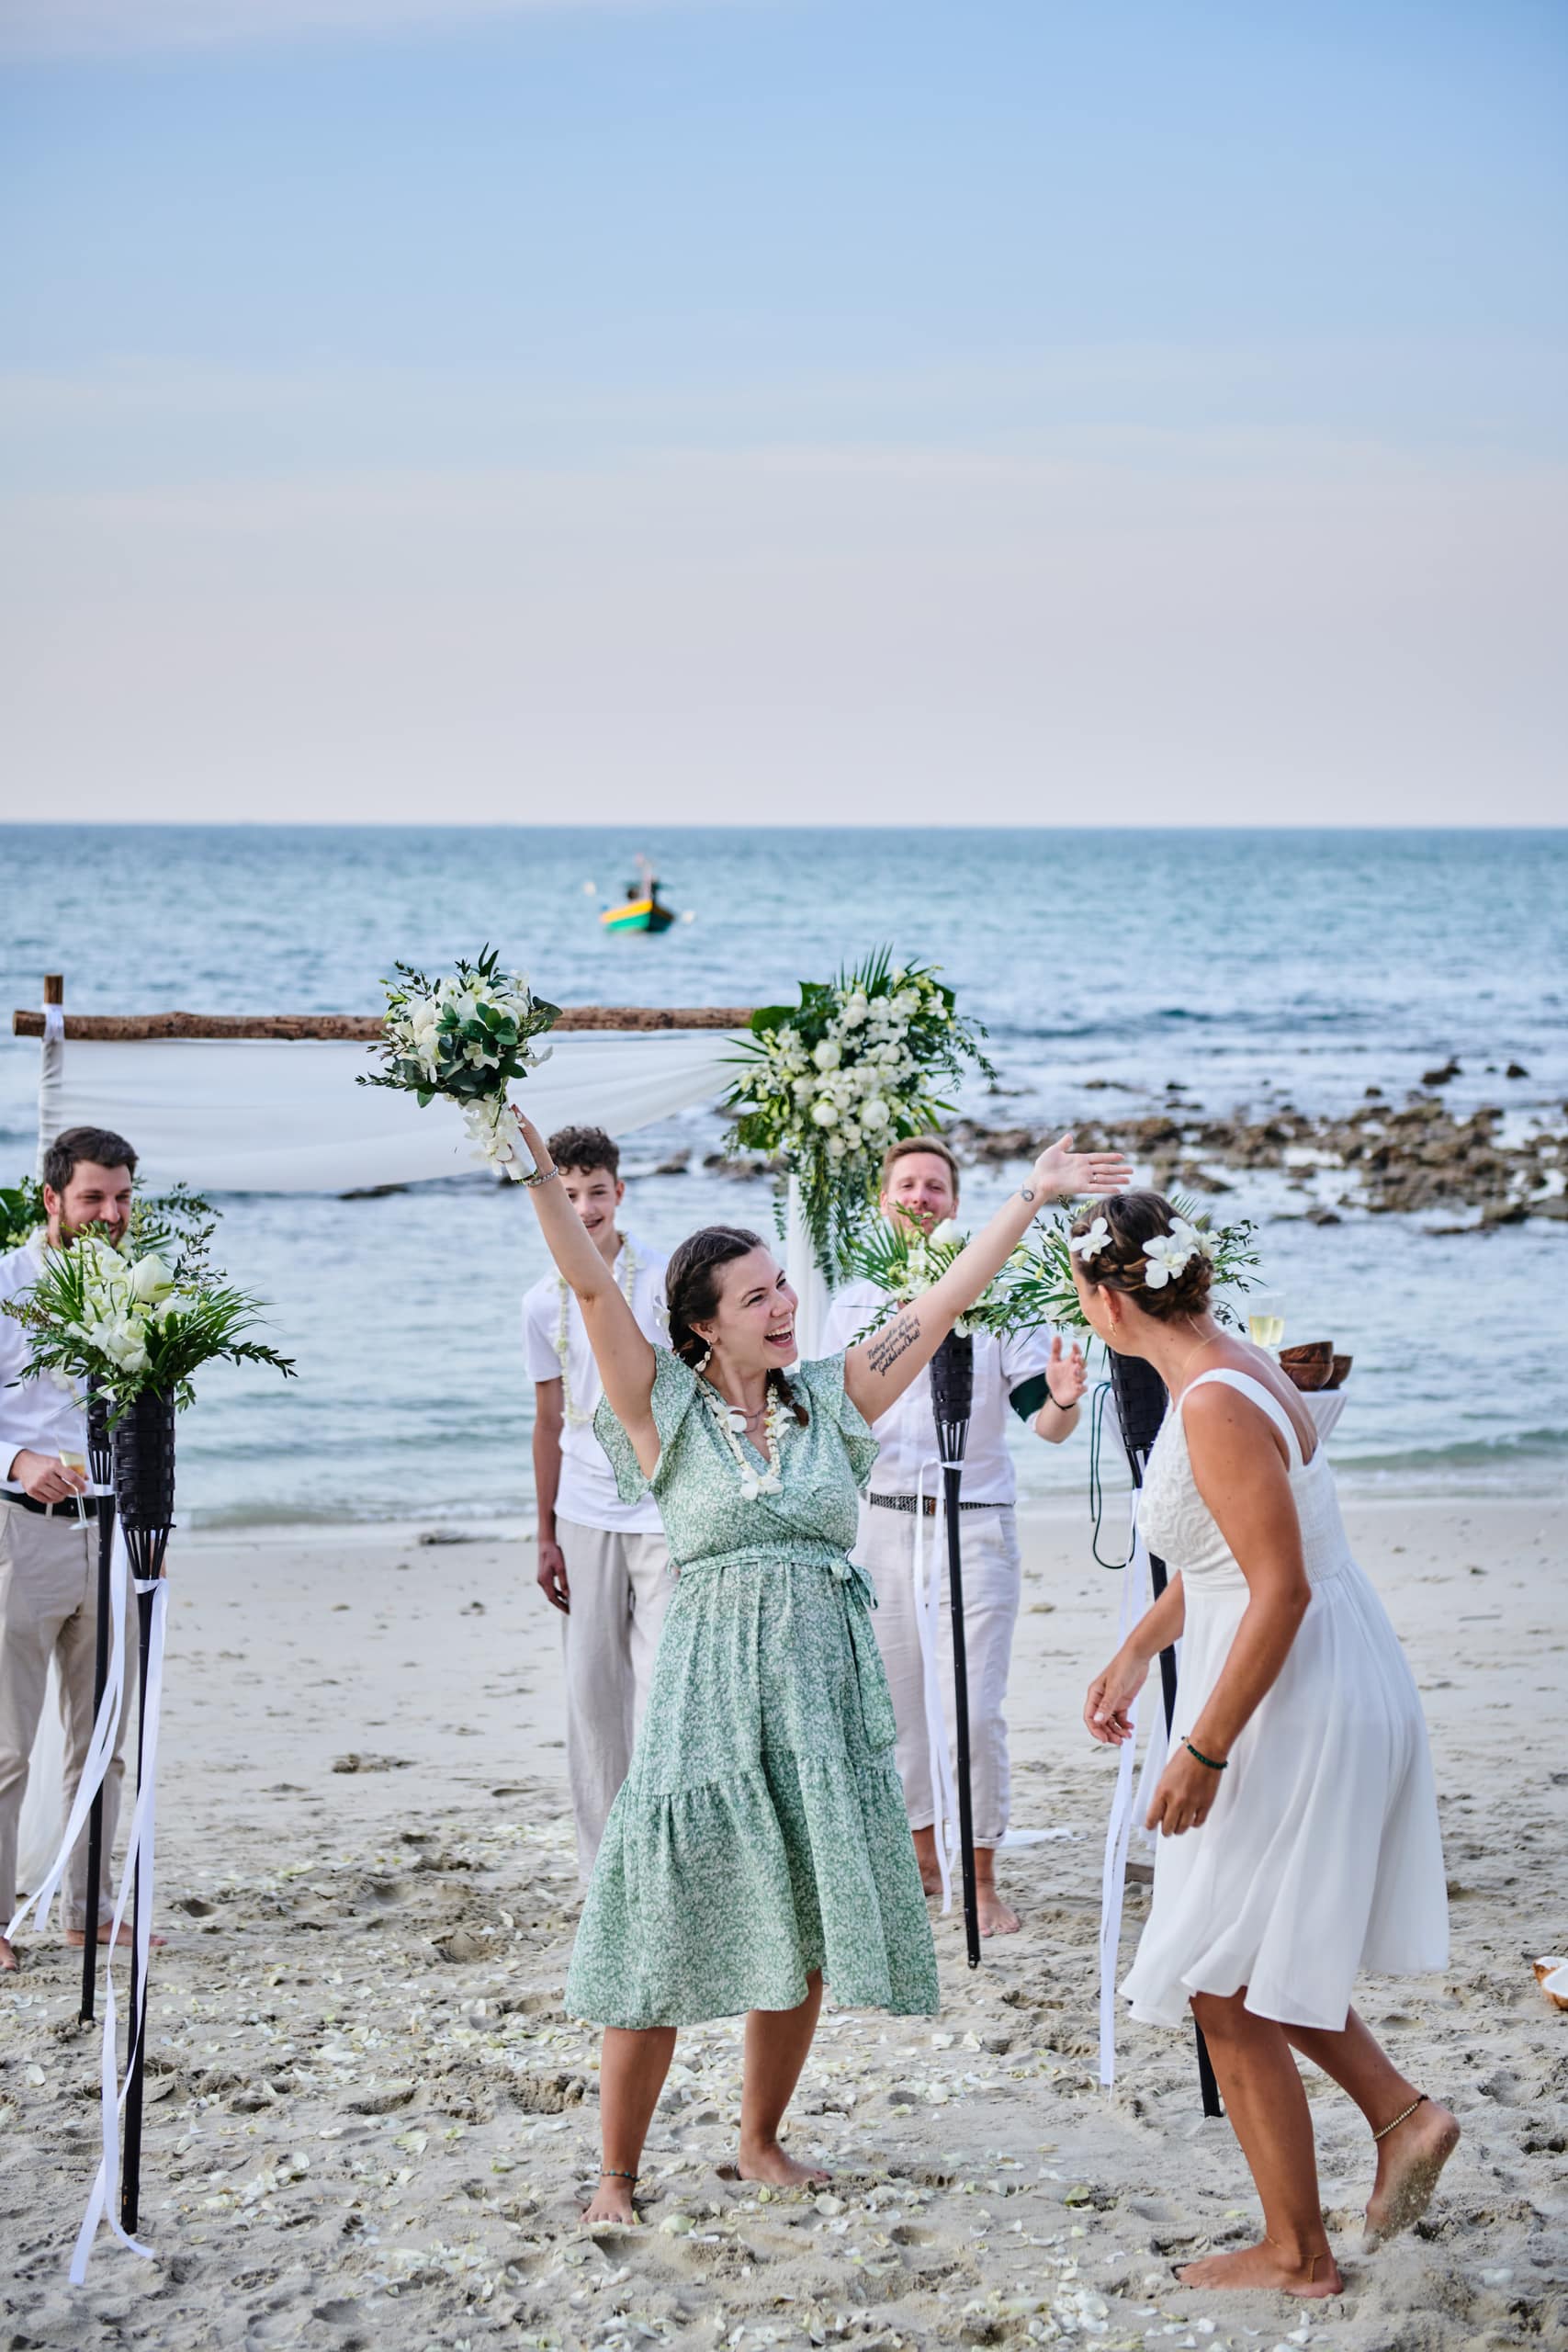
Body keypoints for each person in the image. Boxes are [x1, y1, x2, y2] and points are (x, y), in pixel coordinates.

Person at [515, 1105, 1131, 2223]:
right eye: (757, 1296)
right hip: (705, 1699)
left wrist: (1030, 1195)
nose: (783, 1304)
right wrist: (537, 1183)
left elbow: (943, 1303)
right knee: (657, 1912)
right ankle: (616, 2172)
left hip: (819, 1694)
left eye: (782, 1288)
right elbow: (595, 1291)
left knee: (798, 1921)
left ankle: (758, 2140)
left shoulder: (836, 1401)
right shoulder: (661, 1410)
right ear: (704, 1328)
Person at [1077, 1192, 1455, 2297]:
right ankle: (1397, 2119)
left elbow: (1278, 1585)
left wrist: (1201, 1747)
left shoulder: (1212, 1405)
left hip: (1294, 1689)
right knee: (1237, 1953)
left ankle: (1302, 2248)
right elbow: (1232, 1557)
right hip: (1308, 1661)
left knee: (1218, 1971)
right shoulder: (1227, 1361)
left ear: (1105, 1299)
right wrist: (1140, 1646)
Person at [822, 1134, 1089, 1936]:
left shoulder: (998, 1296)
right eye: (905, 1185)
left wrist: (1068, 1397)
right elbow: (831, 1421)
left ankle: (978, 1875)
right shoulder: (853, 1300)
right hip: (882, 1524)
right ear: (882, 1200)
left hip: (972, 1521)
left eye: (934, 1187)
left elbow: (1042, 1424)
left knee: (971, 1706)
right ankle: (920, 1865)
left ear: (955, 1204)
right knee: (896, 1707)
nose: (919, 1198)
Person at [0, 1127, 140, 1974]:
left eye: (121, 1197)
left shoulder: (136, 1290)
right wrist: (15, 1459)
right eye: (92, 1197)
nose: (109, 1214)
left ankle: (88, 1914)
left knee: (104, 1740)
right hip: (19, 1533)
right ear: (52, 1199)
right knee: (5, 1746)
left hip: (112, 1535)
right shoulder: (1, 1284)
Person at [522, 1125, 671, 1879]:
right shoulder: (536, 1304)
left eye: (595, 1192)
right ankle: (603, 1865)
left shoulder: (661, 1283)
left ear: (620, 1192)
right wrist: (544, 1534)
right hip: (582, 1514)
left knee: (664, 1684)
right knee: (591, 1694)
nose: (583, 1208)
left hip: (663, 1510)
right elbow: (548, 1421)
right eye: (568, 1194)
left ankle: (667, 1849)